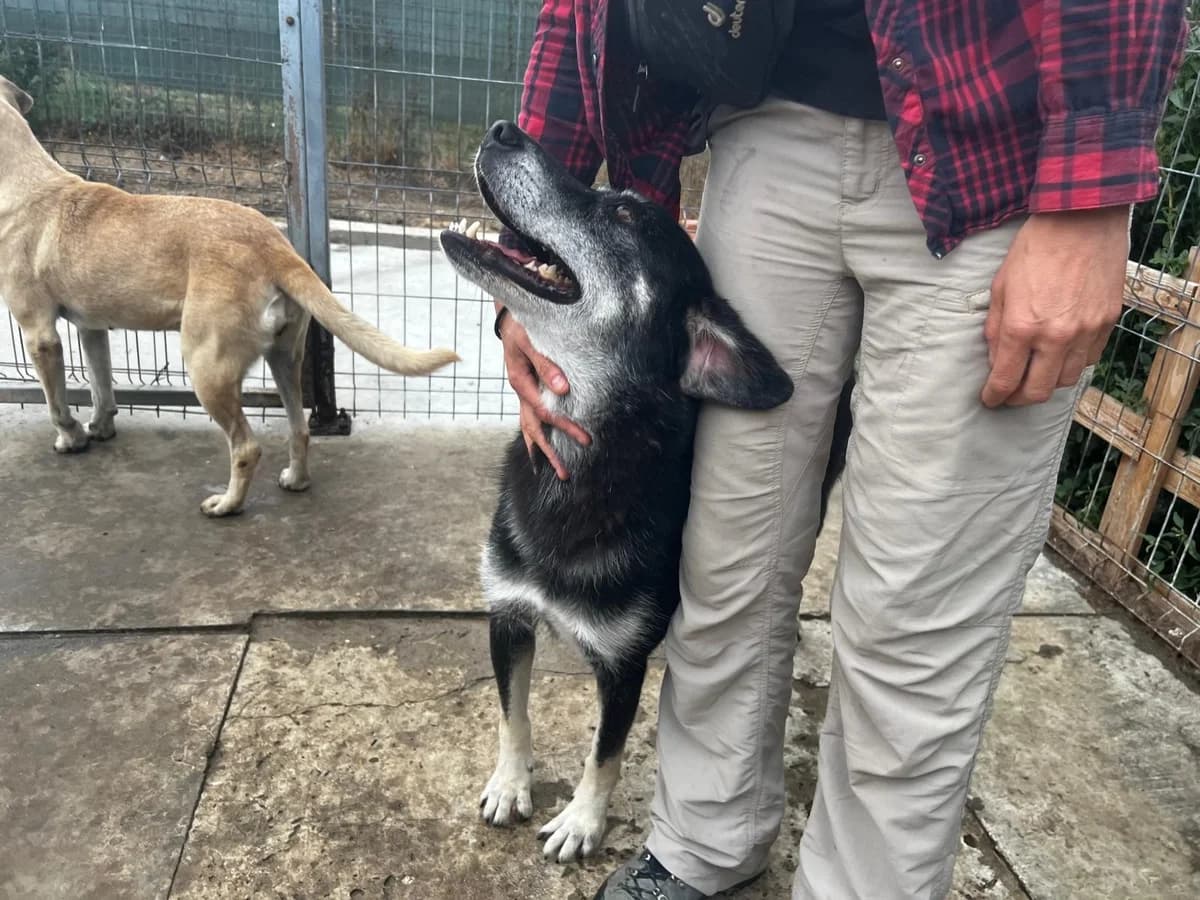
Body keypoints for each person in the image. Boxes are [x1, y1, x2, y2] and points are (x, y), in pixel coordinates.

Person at [491, 2, 1188, 898]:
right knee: (722, 558)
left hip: (995, 154)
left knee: (917, 606)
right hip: (767, 132)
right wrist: (535, 262)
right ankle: (705, 837)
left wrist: (1088, 199)